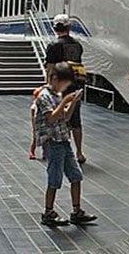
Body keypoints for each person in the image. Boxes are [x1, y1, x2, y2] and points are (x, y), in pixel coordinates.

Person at [35, 63, 97, 226]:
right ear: (54, 78)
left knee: (76, 175)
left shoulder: (58, 95)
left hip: (63, 139)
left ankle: (77, 211)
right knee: (54, 178)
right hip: (53, 142)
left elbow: (66, 117)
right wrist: (65, 102)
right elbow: (51, 118)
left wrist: (73, 102)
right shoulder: (44, 96)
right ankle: (48, 212)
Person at [45, 14, 87, 164]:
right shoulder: (77, 45)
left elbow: (50, 69)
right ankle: (80, 152)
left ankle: (56, 151)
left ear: (55, 28)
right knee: (76, 120)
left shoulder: (53, 46)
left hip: (59, 88)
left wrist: (47, 87)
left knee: (57, 119)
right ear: (69, 27)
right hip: (75, 86)